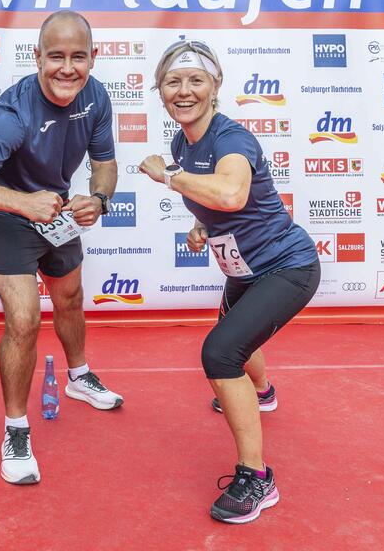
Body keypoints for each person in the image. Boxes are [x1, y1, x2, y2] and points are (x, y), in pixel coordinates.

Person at [0, 10, 123, 485]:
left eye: (78, 57)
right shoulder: (13, 113)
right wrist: (22, 203)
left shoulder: (96, 95)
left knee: (70, 298)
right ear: (36, 57)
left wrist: (99, 199)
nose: (67, 68)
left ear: (93, 59)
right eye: (56, 56)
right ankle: (15, 429)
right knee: (23, 319)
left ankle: (79, 377)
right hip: (5, 212)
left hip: (55, 209)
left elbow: (105, 164)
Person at [139, 40, 320, 523]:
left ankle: (257, 479)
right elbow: (216, 205)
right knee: (237, 334)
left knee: (220, 353)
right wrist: (203, 225)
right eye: (173, 82)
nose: (184, 91)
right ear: (160, 92)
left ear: (215, 87)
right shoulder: (184, 140)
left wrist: (170, 176)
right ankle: (262, 395)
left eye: (195, 80)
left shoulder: (230, 139)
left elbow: (233, 191)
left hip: (287, 266)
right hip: (242, 267)